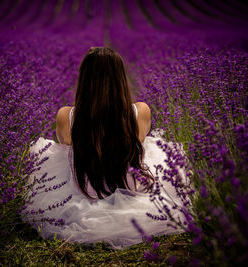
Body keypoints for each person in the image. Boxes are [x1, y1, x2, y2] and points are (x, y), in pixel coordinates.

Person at [21, 47, 191, 249]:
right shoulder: (141, 112)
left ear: (83, 79)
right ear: (120, 78)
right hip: (129, 186)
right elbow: (141, 138)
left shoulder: (66, 116)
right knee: (157, 150)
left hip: (86, 190)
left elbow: (64, 143)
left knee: (56, 152)